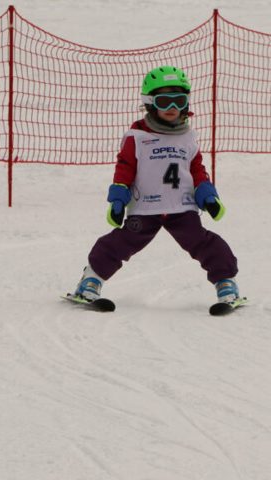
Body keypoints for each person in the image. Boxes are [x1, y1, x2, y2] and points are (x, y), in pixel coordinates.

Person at [73, 65, 241, 305]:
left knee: (203, 242)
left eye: (179, 100)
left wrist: (208, 195)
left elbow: (196, 170)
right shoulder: (137, 137)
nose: (172, 108)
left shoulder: (188, 137)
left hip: (181, 206)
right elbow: (125, 168)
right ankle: (91, 280)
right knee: (120, 243)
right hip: (146, 208)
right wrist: (118, 200)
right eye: (164, 101)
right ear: (150, 102)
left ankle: (226, 282)